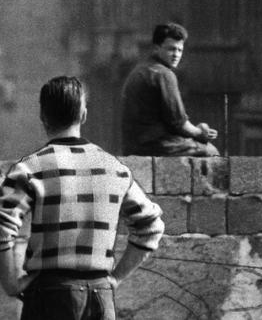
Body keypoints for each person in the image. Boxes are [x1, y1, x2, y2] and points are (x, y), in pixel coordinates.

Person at [0, 76, 165, 320]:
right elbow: (152, 226)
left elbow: (3, 226)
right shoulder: (115, 169)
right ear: (84, 115)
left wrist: (11, 283)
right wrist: (115, 278)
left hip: (49, 296)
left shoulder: (29, 169)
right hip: (100, 298)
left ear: (43, 118)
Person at [120, 22, 219, 156]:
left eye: (180, 50)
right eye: (171, 49)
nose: (176, 55)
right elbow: (178, 123)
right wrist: (200, 132)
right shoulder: (164, 74)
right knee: (211, 151)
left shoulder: (140, 70)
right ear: (156, 48)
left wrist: (196, 130)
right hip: (154, 146)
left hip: (132, 146)